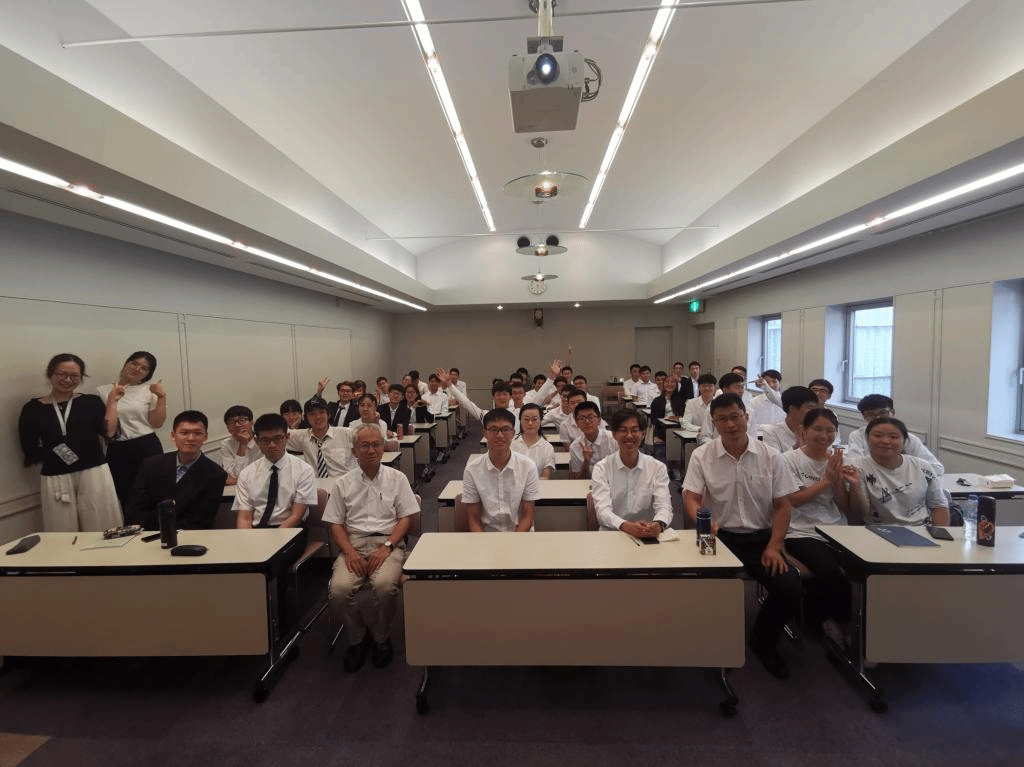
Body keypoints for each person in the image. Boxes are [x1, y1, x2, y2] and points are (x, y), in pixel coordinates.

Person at [683, 392, 802, 679]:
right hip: (716, 536)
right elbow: (691, 496)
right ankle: (710, 640)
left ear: (747, 418)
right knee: (702, 586)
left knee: (789, 586)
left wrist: (774, 545)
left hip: (759, 538)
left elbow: (783, 505)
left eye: (735, 417)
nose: (730, 425)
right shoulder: (702, 455)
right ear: (714, 424)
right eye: (722, 419)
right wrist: (702, 522)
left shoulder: (770, 456)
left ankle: (763, 642)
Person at [324, 423, 419, 672]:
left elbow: (406, 518)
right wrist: (349, 552)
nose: (371, 450)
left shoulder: (397, 478)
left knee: (385, 587)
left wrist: (387, 546)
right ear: (353, 450)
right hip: (353, 544)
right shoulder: (342, 483)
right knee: (339, 591)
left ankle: (380, 637)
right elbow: (335, 523)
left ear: (383, 447)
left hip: (387, 543)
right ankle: (357, 637)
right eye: (364, 445)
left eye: (376, 444)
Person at [18, 353, 122, 532]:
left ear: (81, 378)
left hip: (94, 471)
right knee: (61, 529)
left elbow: (110, 433)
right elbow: (29, 447)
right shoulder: (32, 409)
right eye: (61, 374)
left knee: (103, 525)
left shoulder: (91, 402)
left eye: (74, 376)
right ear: (50, 374)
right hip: (56, 476)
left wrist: (112, 402)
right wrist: (56, 455)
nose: (67, 380)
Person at [781, 408, 853, 645]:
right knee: (831, 572)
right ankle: (840, 624)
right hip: (801, 531)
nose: (824, 435)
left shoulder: (837, 460)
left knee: (866, 568)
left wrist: (839, 481)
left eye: (830, 430)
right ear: (804, 431)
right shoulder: (789, 460)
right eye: (818, 429)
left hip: (836, 530)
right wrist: (826, 481)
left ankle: (836, 616)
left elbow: (842, 505)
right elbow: (794, 500)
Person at [126, 410, 227, 530]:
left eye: (197, 433)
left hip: (188, 536)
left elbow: (201, 520)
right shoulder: (151, 465)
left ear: (205, 437)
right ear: (173, 436)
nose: (191, 438)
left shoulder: (215, 474)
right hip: (147, 533)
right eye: (184, 433)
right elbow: (135, 509)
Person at [846, 416, 949, 526]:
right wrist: (855, 486)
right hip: (878, 530)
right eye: (877, 436)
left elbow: (939, 505)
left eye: (893, 437)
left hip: (921, 527)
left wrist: (939, 533)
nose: (885, 441)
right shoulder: (858, 467)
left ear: (904, 441)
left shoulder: (922, 466)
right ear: (867, 439)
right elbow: (859, 513)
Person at [97, 351, 167, 506]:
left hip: (147, 446)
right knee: (125, 497)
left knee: (154, 494)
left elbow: (156, 423)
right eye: (134, 363)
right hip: (117, 449)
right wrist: (112, 400)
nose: (137, 369)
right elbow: (107, 429)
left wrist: (162, 397)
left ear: (147, 374)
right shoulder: (102, 391)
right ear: (125, 364)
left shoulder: (150, 390)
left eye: (144, 368)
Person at [590, 410, 673, 538]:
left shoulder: (657, 467)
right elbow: (603, 511)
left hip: (647, 535)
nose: (629, 436)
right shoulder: (602, 468)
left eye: (634, 430)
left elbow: (664, 506)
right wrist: (626, 526)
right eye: (623, 430)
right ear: (614, 434)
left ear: (643, 434)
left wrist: (658, 524)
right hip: (612, 534)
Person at [233, 413, 317, 529]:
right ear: (257, 441)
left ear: (287, 437)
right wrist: (246, 538)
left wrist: (275, 538)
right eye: (265, 440)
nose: (272, 445)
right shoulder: (247, 473)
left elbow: (297, 516)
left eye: (277, 438)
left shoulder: (304, 470)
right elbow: (244, 518)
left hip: (291, 530)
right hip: (257, 530)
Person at [461, 409, 540, 532]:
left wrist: (514, 542)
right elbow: (473, 519)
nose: (500, 435)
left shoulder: (528, 467)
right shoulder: (472, 470)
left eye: (505, 429)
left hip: (520, 535)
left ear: (513, 433)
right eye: (493, 430)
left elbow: (527, 516)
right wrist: (483, 542)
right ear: (485, 433)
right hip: (486, 535)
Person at [845, 394, 944, 475]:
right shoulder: (858, 436)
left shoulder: (908, 438)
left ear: (892, 412)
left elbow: (937, 468)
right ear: (864, 417)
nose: (877, 418)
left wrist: (902, 473)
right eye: (871, 414)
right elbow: (854, 466)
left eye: (883, 413)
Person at [286, 400, 356, 478]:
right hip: (316, 484)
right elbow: (279, 433)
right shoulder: (303, 436)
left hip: (343, 483)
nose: (318, 417)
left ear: (328, 414)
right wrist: (290, 423)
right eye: (312, 414)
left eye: (322, 412)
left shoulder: (346, 434)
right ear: (306, 418)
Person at [759, 386, 819, 453]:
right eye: (810, 408)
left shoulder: (817, 434)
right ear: (792, 408)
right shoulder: (768, 432)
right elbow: (771, 459)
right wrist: (796, 448)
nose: (814, 413)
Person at [699, 372, 755, 443]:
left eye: (742, 387)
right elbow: (705, 437)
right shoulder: (712, 409)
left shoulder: (749, 411)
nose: (741, 391)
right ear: (725, 390)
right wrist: (719, 447)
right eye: (737, 387)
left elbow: (753, 437)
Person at [568, 401, 618, 479]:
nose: (587, 422)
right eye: (582, 418)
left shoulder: (614, 439)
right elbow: (577, 479)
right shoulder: (575, 447)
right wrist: (586, 461)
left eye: (590, 417)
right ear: (577, 423)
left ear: (599, 420)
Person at [511, 403, 556, 478]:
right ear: (520, 420)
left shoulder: (547, 448)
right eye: (526, 419)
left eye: (534, 419)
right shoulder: (511, 444)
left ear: (540, 421)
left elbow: (545, 478)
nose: (530, 423)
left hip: (539, 485)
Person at [220, 405, 262, 485]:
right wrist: (243, 445)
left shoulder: (262, 440)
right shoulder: (226, 444)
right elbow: (233, 475)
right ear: (228, 428)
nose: (237, 425)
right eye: (232, 422)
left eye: (242, 420)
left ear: (251, 422)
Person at [649, 374, 687, 456]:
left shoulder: (680, 401)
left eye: (672, 382)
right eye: (667, 382)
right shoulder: (657, 401)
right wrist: (665, 421)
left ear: (676, 385)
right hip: (661, 430)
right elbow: (653, 420)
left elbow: (684, 417)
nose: (670, 384)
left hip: (678, 429)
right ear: (663, 384)